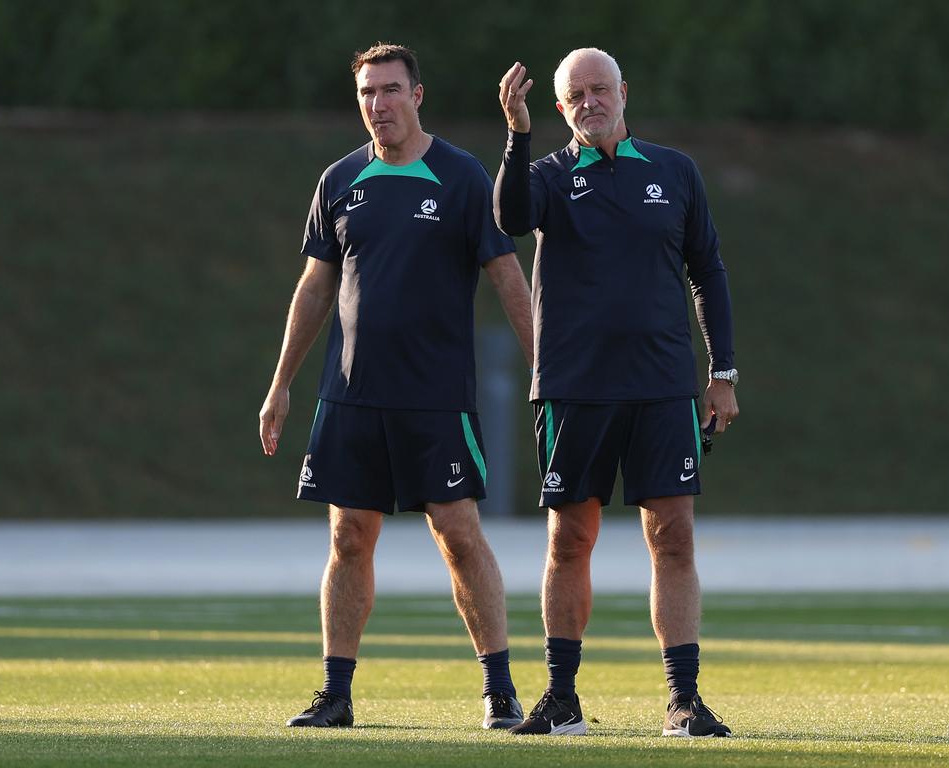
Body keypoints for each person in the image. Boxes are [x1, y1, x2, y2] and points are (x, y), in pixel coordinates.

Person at [259, 43, 533, 730]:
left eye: (389, 90)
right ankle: (336, 694)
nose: (377, 104)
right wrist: (281, 383)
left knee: (458, 533)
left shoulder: (463, 177)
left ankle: (499, 689)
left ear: (417, 95)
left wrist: (544, 365)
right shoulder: (341, 180)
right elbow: (316, 285)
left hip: (435, 396)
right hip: (350, 395)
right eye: (366, 93)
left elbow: (507, 276)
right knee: (349, 537)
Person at [494, 48, 739, 737]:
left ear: (624, 92)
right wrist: (516, 134)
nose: (592, 102)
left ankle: (683, 700)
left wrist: (723, 373)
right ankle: (562, 698)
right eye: (577, 95)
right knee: (570, 538)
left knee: (674, 537)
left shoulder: (674, 171)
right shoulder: (545, 174)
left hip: (662, 386)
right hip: (575, 386)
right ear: (562, 108)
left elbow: (708, 272)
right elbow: (510, 217)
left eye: (601, 89)